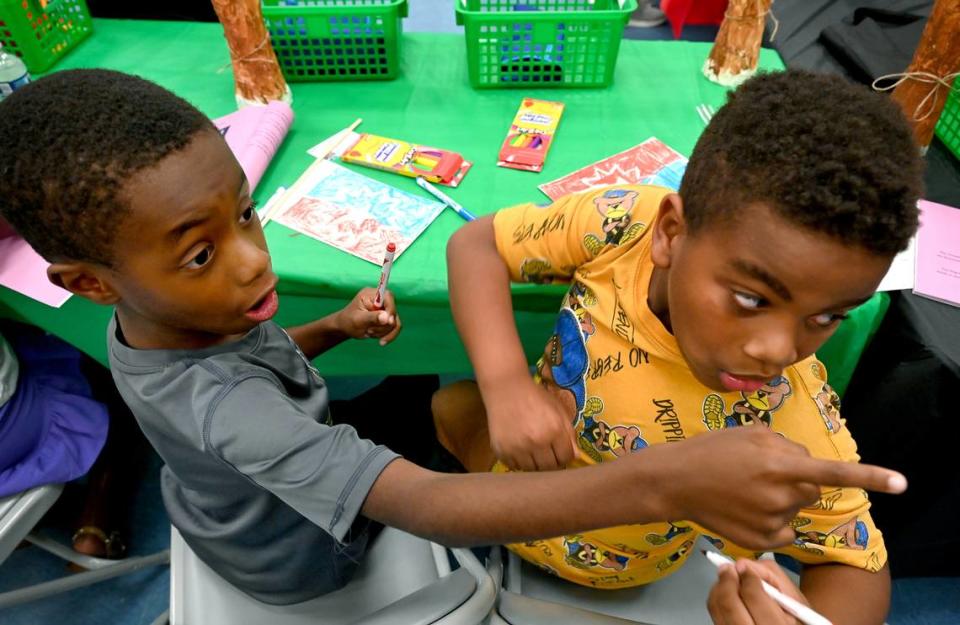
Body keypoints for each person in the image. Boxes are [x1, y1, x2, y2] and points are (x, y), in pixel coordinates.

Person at [0, 68, 907, 607]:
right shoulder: (237, 419)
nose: (251, 264)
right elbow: (424, 506)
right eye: (201, 252)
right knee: (423, 437)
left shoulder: (150, 327)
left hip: (233, 497)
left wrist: (328, 327)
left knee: (421, 402)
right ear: (86, 281)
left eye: (246, 211)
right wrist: (669, 478)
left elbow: (254, 368)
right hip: (303, 553)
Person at [433, 69, 924, 625]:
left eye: (828, 316)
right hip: (505, 472)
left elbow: (857, 564)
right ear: (670, 233)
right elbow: (478, 244)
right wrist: (506, 388)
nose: (777, 350)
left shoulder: (790, 417)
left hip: (613, 576)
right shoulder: (623, 225)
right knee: (445, 407)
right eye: (750, 298)